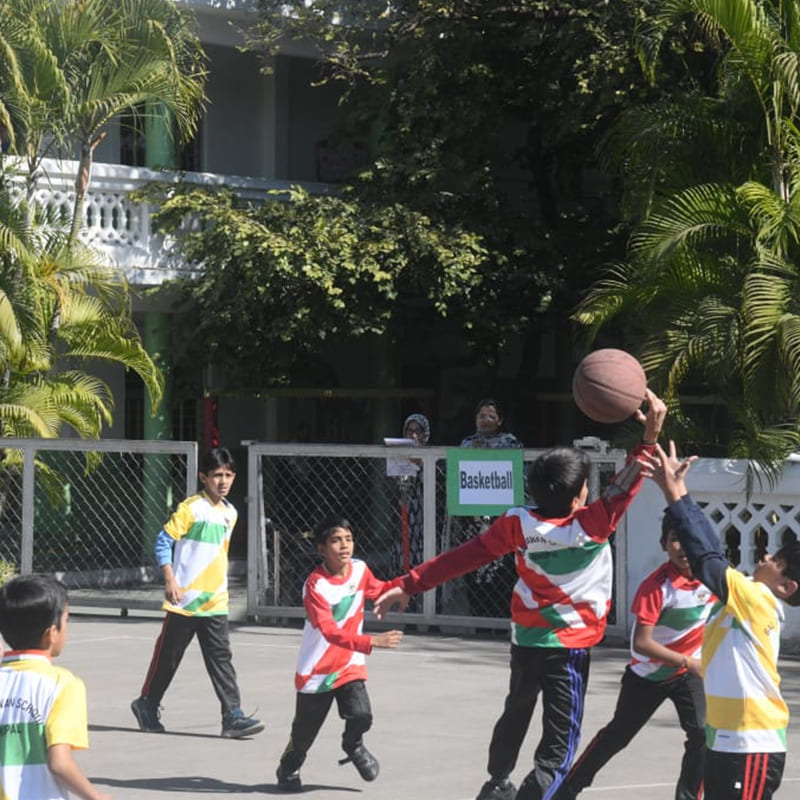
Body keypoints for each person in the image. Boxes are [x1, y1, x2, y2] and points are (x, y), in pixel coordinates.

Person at [376, 389, 667, 800]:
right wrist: (650, 437)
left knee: (517, 709)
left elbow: (461, 557)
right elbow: (629, 481)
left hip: (527, 639)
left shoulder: (517, 523)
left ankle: (497, 780)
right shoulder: (594, 524)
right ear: (580, 494)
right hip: (568, 648)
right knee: (559, 746)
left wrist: (408, 584)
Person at [647, 441, 800, 800]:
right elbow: (711, 548)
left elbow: (706, 558)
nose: (764, 555)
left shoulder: (759, 601)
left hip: (751, 742)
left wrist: (674, 496)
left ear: (787, 586)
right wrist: (682, 492)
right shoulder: (747, 593)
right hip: (728, 740)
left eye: (774, 558)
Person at [557, 513, 716, 799]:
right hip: (649, 676)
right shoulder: (657, 587)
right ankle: (566, 790)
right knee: (617, 736)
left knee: (702, 735)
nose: (683, 547)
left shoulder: (713, 580)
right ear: (664, 544)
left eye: (691, 540)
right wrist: (687, 661)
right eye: (675, 539)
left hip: (686, 676)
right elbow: (642, 643)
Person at [130, 446, 264, 739]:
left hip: (215, 600)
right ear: (204, 477)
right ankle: (147, 704)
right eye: (217, 475)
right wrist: (170, 580)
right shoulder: (191, 508)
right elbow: (164, 541)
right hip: (185, 600)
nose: (223, 481)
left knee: (221, 658)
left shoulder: (231, 513)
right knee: (168, 656)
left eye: (228, 475)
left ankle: (232, 715)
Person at [275, 517, 403, 792]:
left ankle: (353, 745)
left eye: (348, 539)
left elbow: (378, 588)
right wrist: (372, 641)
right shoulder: (315, 586)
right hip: (316, 672)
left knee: (362, 715)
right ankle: (288, 767)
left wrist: (403, 588)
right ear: (321, 549)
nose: (344, 546)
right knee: (303, 737)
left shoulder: (360, 569)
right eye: (336, 540)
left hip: (349, 666)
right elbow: (330, 632)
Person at [0, 574, 112, 800]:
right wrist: (97, 797)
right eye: (66, 620)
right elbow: (60, 763)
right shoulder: (63, 684)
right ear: (51, 633)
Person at [451, 398, 523, 617]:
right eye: (482, 416)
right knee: (474, 569)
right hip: (473, 522)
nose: (485, 420)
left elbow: (520, 477)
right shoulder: (467, 444)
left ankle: (500, 619)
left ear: (500, 420)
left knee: (503, 571)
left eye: (491, 416)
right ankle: (478, 617)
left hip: (501, 521)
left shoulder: (510, 443)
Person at [390, 413, 431, 576]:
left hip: (427, 520)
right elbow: (387, 489)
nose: (414, 435)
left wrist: (421, 464)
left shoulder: (435, 457)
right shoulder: (397, 455)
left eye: (418, 431)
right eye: (409, 431)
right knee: (402, 564)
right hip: (402, 519)